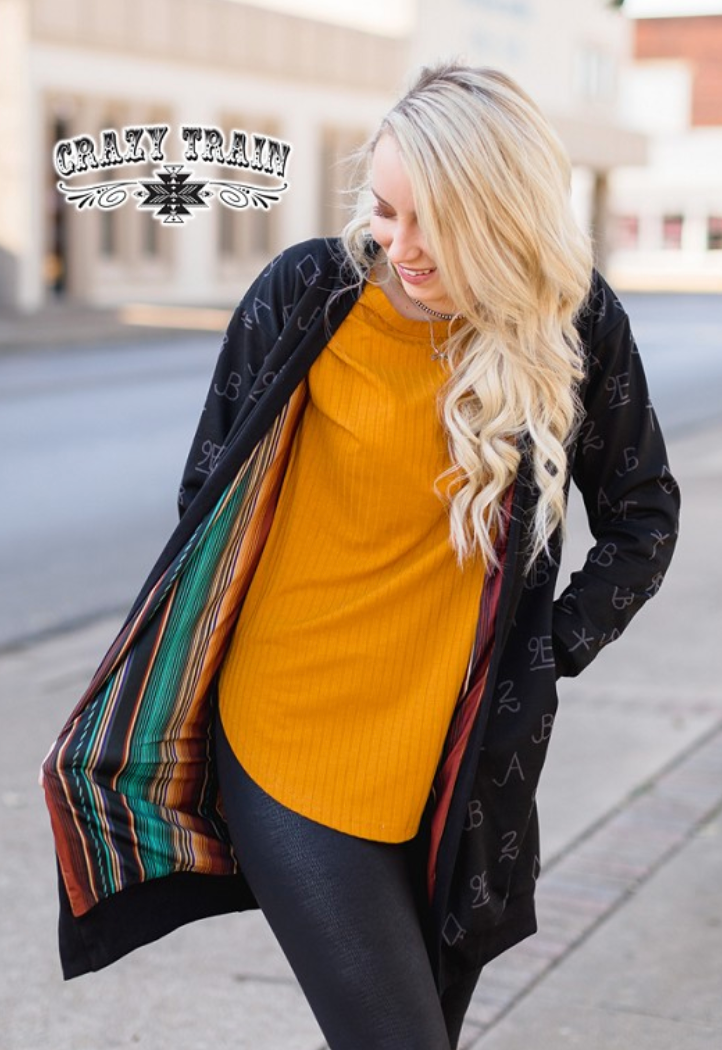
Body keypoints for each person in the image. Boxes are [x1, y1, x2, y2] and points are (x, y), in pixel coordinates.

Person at [41, 64, 680, 1049]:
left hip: (458, 764)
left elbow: (643, 515)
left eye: (436, 222)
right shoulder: (308, 295)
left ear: (504, 220)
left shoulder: (569, 321)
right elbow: (207, 499)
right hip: (288, 736)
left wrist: (548, 650)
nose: (400, 245)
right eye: (385, 209)